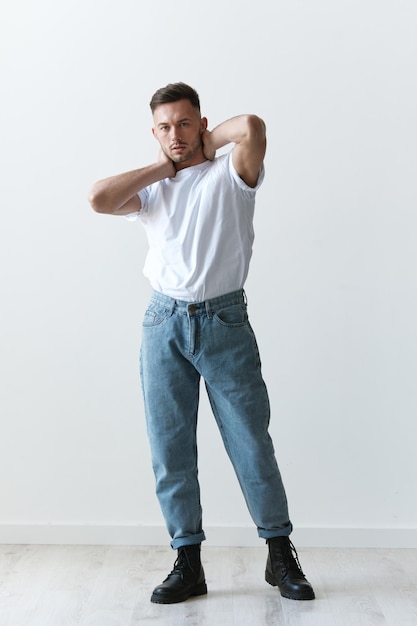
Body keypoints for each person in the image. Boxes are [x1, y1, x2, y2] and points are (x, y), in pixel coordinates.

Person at [88, 82, 315, 604]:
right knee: (171, 449)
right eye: (165, 127)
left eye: (185, 123)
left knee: (251, 441)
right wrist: (166, 167)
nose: (176, 134)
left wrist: (202, 149)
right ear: (154, 133)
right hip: (162, 322)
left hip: (224, 321)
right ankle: (187, 561)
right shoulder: (150, 191)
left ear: (201, 122)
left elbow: (252, 127)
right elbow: (98, 199)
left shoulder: (231, 176)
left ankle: (280, 555)